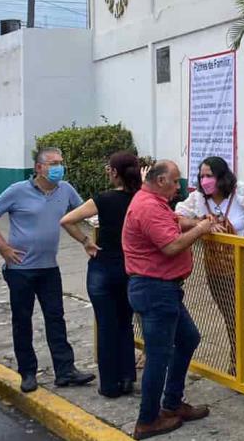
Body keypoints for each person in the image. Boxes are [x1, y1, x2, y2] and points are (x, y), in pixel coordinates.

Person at [0, 146, 95, 393]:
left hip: (49, 268)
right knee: (22, 321)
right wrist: (3, 248)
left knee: (56, 318)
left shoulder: (66, 190)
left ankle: (65, 370)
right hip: (21, 269)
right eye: (53, 163)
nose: (58, 168)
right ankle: (27, 372)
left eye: (60, 162)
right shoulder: (17, 191)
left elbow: (75, 218)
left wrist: (85, 240)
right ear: (39, 168)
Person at [123, 160, 215, 440]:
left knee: (188, 339)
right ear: (161, 180)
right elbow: (171, 246)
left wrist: (196, 222)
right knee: (158, 356)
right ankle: (148, 420)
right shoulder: (148, 206)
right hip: (155, 290)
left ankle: (173, 403)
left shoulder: (151, 200)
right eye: (175, 182)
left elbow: (172, 220)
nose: (178, 187)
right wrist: (201, 230)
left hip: (163, 289)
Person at [175, 156, 244, 390]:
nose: (205, 181)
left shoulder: (240, 193)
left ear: (221, 177)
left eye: (209, 175)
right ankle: (240, 367)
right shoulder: (198, 200)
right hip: (217, 269)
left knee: (241, 318)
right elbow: (178, 216)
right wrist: (200, 224)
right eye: (202, 176)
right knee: (233, 318)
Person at [59, 152, 142, 398]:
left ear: (115, 173)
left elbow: (67, 219)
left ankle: (109, 384)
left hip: (103, 267)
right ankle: (127, 377)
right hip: (130, 268)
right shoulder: (140, 199)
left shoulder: (103, 199)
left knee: (106, 326)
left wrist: (86, 241)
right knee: (125, 323)